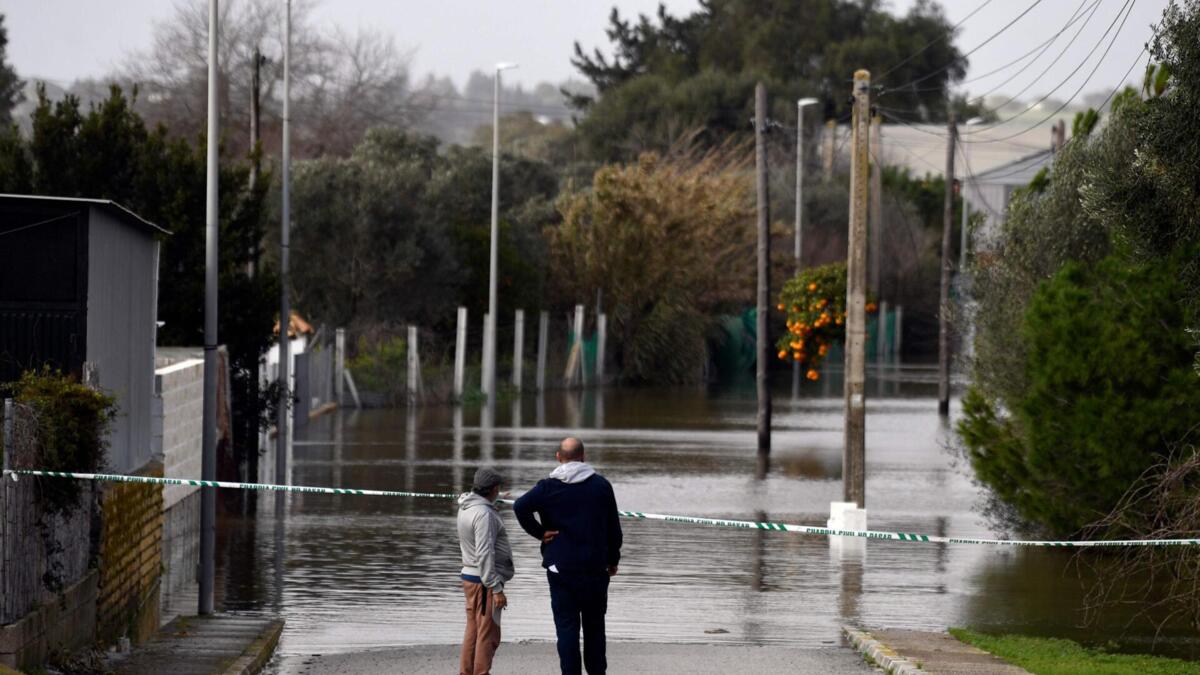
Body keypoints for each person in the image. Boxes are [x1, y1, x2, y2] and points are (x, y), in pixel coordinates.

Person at [513, 437, 622, 675]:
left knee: (566, 628)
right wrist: (613, 560)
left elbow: (519, 507)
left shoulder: (548, 487)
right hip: (595, 568)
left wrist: (540, 533)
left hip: (560, 568)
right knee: (594, 628)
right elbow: (614, 527)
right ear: (583, 456)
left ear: (558, 457)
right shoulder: (601, 486)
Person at [457, 467, 514, 675]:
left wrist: (496, 500)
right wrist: (496, 588)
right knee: (487, 633)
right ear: (494, 489)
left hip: (471, 577)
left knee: (473, 629)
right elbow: (484, 553)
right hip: (484, 581)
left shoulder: (466, 505)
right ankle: (481, 672)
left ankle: (467, 672)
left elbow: (483, 506)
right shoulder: (484, 515)